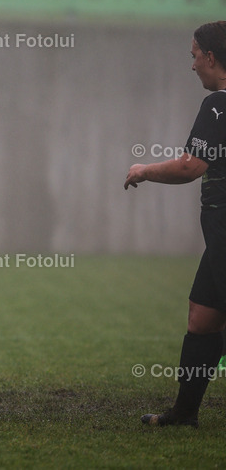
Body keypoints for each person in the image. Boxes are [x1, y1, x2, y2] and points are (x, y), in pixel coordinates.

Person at [125, 21, 226, 427]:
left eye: (194, 56)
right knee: (202, 319)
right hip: (218, 235)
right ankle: (185, 413)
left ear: (211, 58)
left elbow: (190, 166)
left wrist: (144, 169)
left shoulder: (218, 105)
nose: (192, 65)